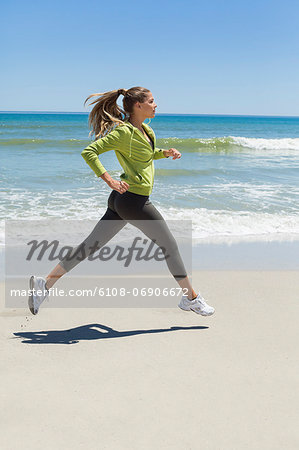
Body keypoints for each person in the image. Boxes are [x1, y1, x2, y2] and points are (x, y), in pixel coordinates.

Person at [28, 86, 215, 317]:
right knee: (170, 247)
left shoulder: (146, 130)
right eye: (152, 101)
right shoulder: (123, 133)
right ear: (138, 105)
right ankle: (191, 299)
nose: (156, 105)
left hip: (122, 201)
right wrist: (109, 179)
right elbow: (89, 152)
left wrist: (165, 153)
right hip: (133, 201)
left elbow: (146, 154)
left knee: (89, 246)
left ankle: (44, 286)